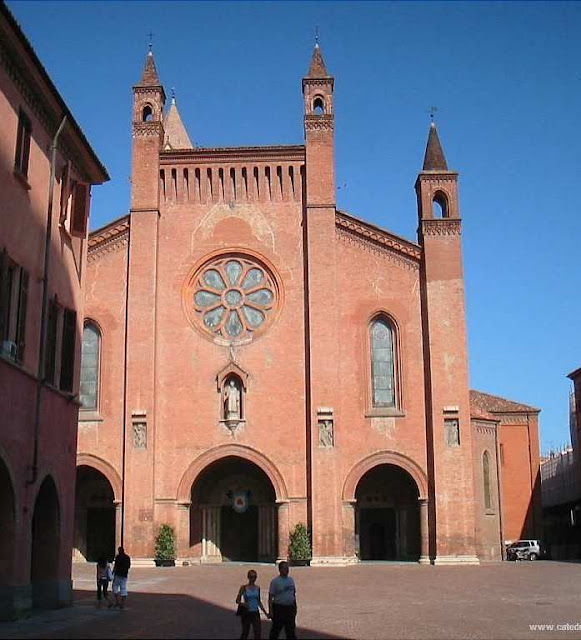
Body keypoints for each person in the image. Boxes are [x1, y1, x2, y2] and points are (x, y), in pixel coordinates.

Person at [236, 569, 268, 639]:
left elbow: (259, 601)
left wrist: (265, 613)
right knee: (245, 632)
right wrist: (243, 604)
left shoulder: (257, 588)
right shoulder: (243, 588)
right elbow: (237, 600)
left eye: (254, 577)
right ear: (248, 577)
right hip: (246, 612)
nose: (253, 579)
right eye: (251, 577)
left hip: (255, 612)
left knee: (257, 632)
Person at [268, 561, 297, 640]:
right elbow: (270, 597)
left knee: (291, 631)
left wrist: (295, 606)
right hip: (279, 608)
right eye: (284, 568)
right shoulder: (275, 582)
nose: (287, 570)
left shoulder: (291, 580)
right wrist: (270, 611)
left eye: (287, 568)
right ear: (280, 570)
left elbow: (293, 593)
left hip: (290, 608)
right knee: (276, 630)